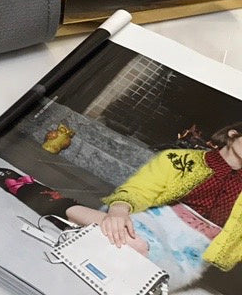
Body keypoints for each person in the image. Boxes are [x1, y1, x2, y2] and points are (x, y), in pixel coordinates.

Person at [66, 123, 242, 291]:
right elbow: (140, 189)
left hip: (193, 250)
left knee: (155, 277)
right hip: (155, 223)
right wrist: (119, 208)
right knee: (137, 247)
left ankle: (90, 221)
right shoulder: (180, 159)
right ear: (233, 135)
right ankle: (94, 220)